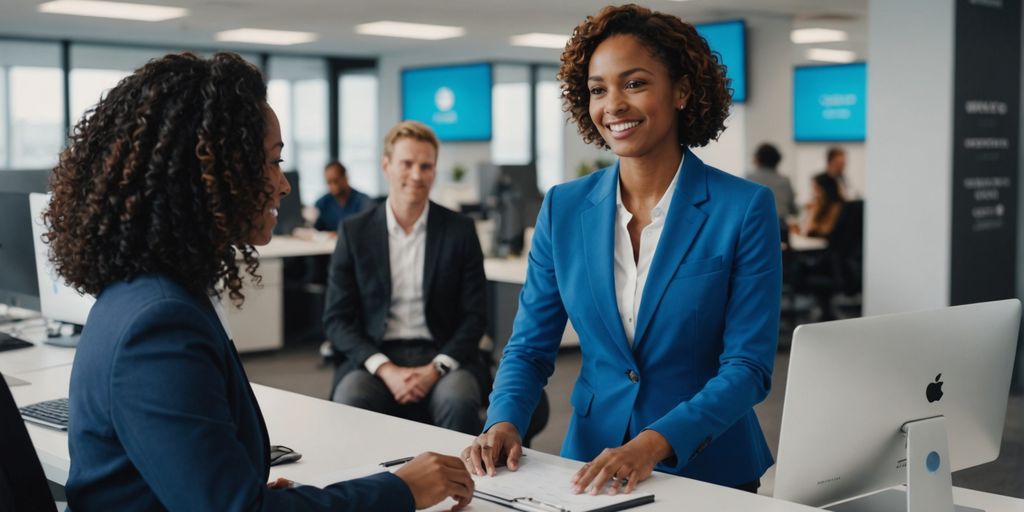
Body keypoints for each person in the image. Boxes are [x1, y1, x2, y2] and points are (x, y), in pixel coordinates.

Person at [49, 52, 473, 511]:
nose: (284, 184)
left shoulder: (150, 295)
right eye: (272, 162)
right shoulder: (159, 325)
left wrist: (242, 489)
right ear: (209, 175)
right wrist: (402, 489)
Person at [464, 4, 781, 496]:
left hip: (710, 466)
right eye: (597, 89)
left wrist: (655, 442)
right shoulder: (563, 208)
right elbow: (529, 347)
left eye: (634, 83)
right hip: (589, 461)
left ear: (681, 90)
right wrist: (503, 421)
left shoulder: (743, 208)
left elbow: (748, 368)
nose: (612, 104)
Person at [324, 120, 487, 436]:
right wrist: (385, 369)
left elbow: (475, 317)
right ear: (386, 166)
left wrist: (435, 369)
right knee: (351, 398)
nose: (416, 175)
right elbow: (336, 319)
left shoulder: (460, 230)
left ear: (435, 172)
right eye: (407, 164)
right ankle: (365, 487)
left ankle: (464, 485)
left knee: (458, 400)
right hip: (376, 355)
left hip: (442, 354)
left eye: (426, 166)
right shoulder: (354, 231)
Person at [314, 160, 373, 233]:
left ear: (346, 178)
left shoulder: (364, 202)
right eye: (329, 182)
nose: (333, 186)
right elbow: (315, 230)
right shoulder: (322, 203)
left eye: (336, 181)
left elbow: (368, 230)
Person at [746, 142, 797, 223]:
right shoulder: (785, 181)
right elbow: (793, 209)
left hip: (753, 224)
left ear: (757, 159)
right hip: (780, 226)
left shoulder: (747, 179)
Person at [803, 173, 844, 238]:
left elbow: (826, 231)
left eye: (816, 189)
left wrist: (813, 211)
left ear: (826, 190)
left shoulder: (837, 207)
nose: (814, 194)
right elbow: (807, 231)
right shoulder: (818, 206)